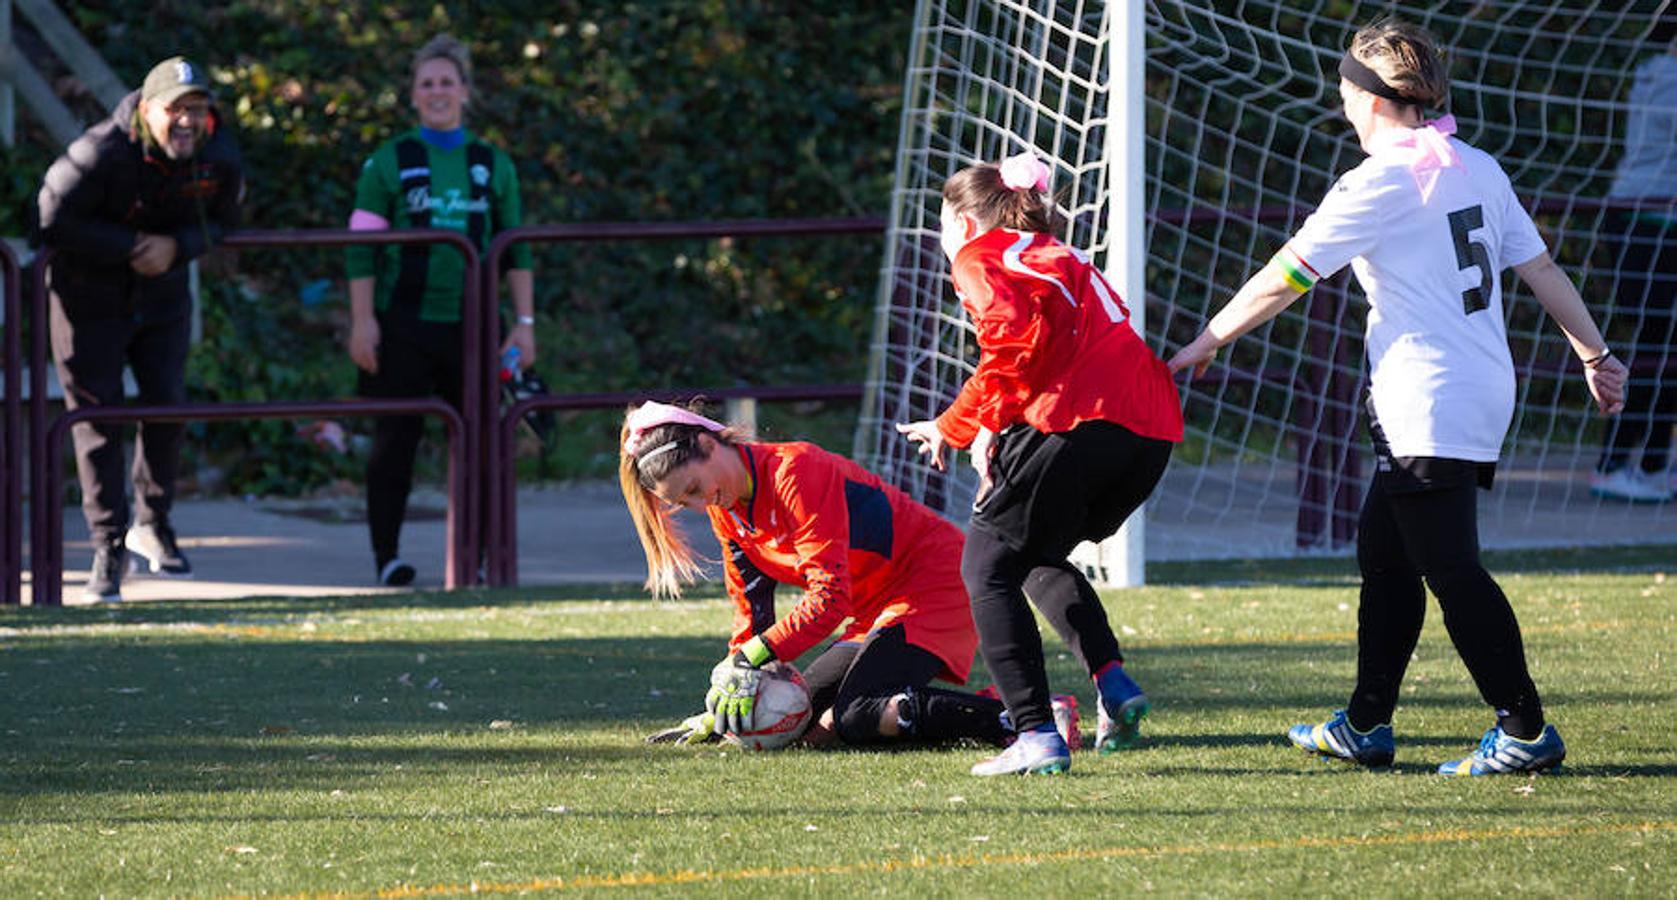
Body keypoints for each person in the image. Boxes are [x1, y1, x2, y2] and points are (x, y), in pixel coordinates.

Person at [1167, 19, 1629, 775]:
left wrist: (1208, 340)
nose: (1342, 107)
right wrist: (1594, 354)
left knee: (1450, 569)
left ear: (1369, 95)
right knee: (1385, 557)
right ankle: (1364, 724)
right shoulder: (1474, 164)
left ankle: (1524, 731)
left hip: (1428, 396)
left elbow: (1289, 272)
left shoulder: (1379, 178)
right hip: (1476, 386)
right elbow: (1541, 269)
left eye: (1345, 94)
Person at [896, 152, 1185, 775]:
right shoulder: (1059, 252)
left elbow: (1010, 342)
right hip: (1150, 431)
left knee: (986, 567)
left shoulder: (980, 255)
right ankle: (1113, 683)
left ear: (963, 221)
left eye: (942, 221)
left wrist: (957, 425)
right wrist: (996, 422)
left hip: (1079, 421)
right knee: (1032, 558)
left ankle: (1035, 734)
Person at [620, 401, 1056, 751]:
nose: (699, 505)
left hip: (934, 583)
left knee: (855, 714)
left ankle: (1024, 719)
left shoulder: (795, 471)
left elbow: (829, 601)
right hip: (876, 612)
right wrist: (727, 697)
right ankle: (953, 712)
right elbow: (751, 610)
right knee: (800, 720)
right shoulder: (727, 511)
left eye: (694, 488)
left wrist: (750, 657)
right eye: (684, 502)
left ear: (707, 444)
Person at [35, 56, 244, 602]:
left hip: (163, 297)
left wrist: (181, 247)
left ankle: (153, 523)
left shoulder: (218, 154)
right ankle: (108, 546)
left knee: (168, 406)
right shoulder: (102, 150)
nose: (187, 122)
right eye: (176, 109)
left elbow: (228, 218)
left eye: (197, 110)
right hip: (88, 299)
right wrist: (128, 248)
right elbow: (51, 212)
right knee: (99, 420)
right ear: (146, 110)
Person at [346, 34, 536, 586]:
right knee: (393, 443)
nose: (437, 91)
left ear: (465, 91)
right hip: (401, 324)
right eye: (426, 83)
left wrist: (524, 324)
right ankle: (388, 559)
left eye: (446, 82)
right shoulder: (389, 159)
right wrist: (362, 320)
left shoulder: (491, 162)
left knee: (480, 445)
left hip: (475, 328)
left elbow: (516, 248)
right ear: (412, 94)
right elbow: (360, 247)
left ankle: (474, 560)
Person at [1590, 24, 1677, 503]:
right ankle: (1614, 463)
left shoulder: (1652, 72)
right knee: (1651, 343)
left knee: (1664, 344)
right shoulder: (1665, 78)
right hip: (1644, 221)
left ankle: (1650, 463)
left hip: (1653, 219)